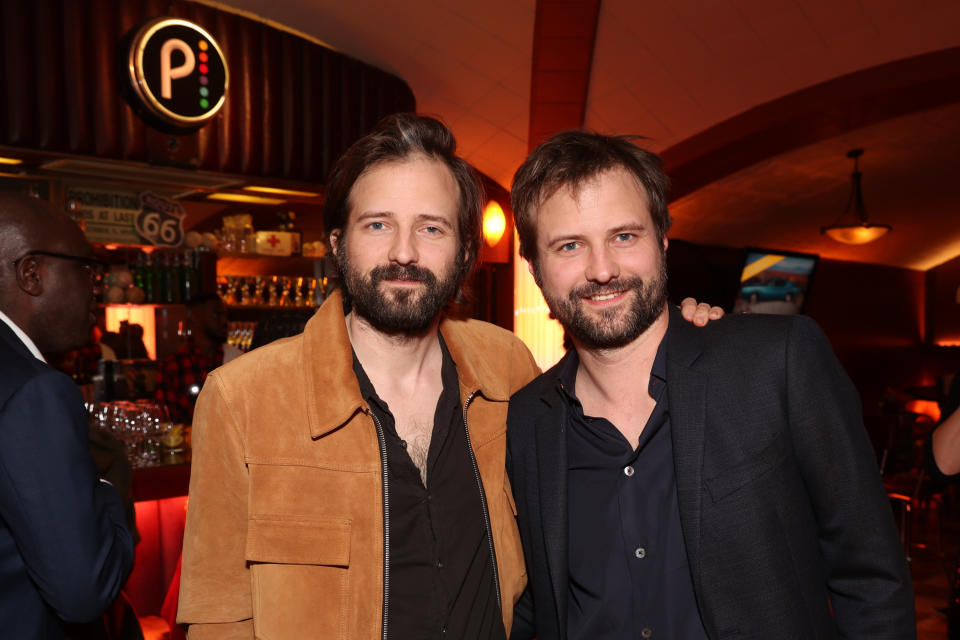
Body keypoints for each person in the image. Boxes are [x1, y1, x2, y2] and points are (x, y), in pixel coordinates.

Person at [505, 131, 915, 640]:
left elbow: (870, 576)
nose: (603, 269)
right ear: (535, 268)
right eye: (570, 245)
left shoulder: (776, 361)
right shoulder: (524, 421)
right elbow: (534, 605)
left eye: (624, 236)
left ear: (663, 241)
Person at [0, 193, 135, 638]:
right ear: (32, 274)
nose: (96, 286)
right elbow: (85, 590)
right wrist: (106, 482)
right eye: (86, 267)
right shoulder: (36, 389)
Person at [154, 293, 227, 424]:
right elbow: (166, 422)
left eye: (225, 315)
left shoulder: (235, 357)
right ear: (195, 317)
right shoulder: (173, 366)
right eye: (216, 315)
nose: (224, 321)